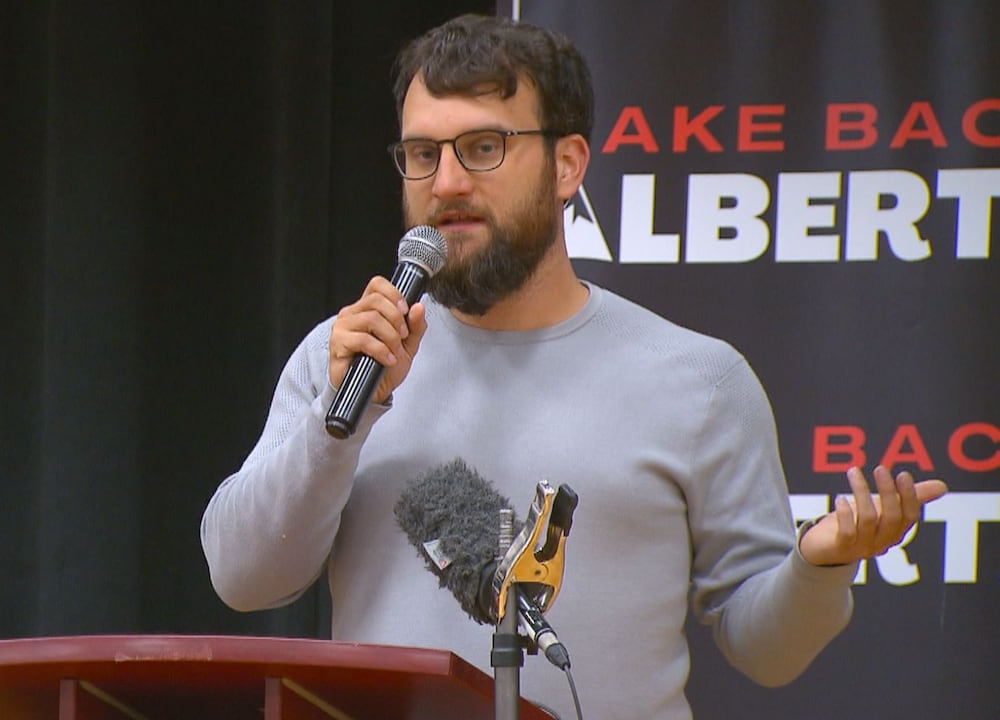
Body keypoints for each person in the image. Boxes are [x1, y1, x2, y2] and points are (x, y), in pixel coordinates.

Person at [200, 13, 948, 719]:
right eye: (423, 154)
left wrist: (818, 569)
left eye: (483, 147)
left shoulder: (698, 380)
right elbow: (245, 578)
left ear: (567, 165)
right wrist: (341, 427)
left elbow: (768, 652)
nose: (447, 182)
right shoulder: (345, 358)